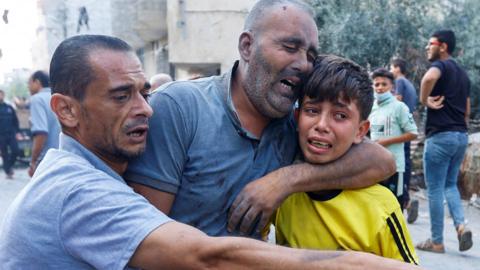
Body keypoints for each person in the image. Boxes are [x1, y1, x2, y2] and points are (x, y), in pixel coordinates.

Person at [0, 34, 419, 270]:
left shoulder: (88, 173)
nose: (145, 108)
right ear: (66, 111)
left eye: (144, 93)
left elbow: (378, 159)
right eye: (121, 96)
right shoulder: (78, 191)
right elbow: (210, 256)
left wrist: (284, 179)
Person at [125, 0, 396, 238]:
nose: (303, 64)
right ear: (247, 46)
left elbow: (381, 162)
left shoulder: (295, 127)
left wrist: (284, 180)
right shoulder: (180, 107)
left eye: (311, 55)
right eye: (290, 47)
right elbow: (146, 238)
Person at [274, 55, 418, 264]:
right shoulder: (280, 193)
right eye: (312, 110)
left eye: (340, 115)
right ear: (297, 118)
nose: (322, 125)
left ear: (361, 131)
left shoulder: (381, 206)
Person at [416, 29, 473, 253]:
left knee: (435, 188)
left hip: (441, 135)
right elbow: (466, 109)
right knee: (450, 185)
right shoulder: (464, 74)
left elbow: (428, 78)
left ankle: (437, 241)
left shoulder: (441, 66)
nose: (427, 48)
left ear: (443, 47)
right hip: (460, 136)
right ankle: (460, 226)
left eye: (431, 43)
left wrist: (424, 100)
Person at [369, 68, 418, 209]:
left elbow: (413, 133)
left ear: (392, 87)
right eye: (376, 84)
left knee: (394, 208)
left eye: (384, 84)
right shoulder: (371, 108)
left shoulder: (399, 107)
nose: (380, 88)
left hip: (394, 167)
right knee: (376, 209)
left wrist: (385, 142)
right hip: (373, 167)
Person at [390, 58, 419, 223]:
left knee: (398, 164)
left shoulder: (400, 81)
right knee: (405, 162)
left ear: (398, 68)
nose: (391, 70)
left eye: (392, 67)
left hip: (400, 127)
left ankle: (404, 199)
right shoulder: (410, 84)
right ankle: (407, 201)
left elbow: (397, 99)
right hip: (409, 124)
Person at [27, 70, 61, 176]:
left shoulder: (37, 99)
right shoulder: (58, 97)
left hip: (47, 161)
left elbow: (41, 133)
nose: (28, 87)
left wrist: (33, 161)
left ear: (37, 82)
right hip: (64, 157)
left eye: (29, 83)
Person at [0, 89, 20, 179]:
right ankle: (8, 171)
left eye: (1, 94)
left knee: (16, 150)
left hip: (11, 134)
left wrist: (17, 132)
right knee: (4, 154)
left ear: (3, 96)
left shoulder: (9, 107)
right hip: (1, 135)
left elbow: (15, 121)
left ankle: (9, 167)